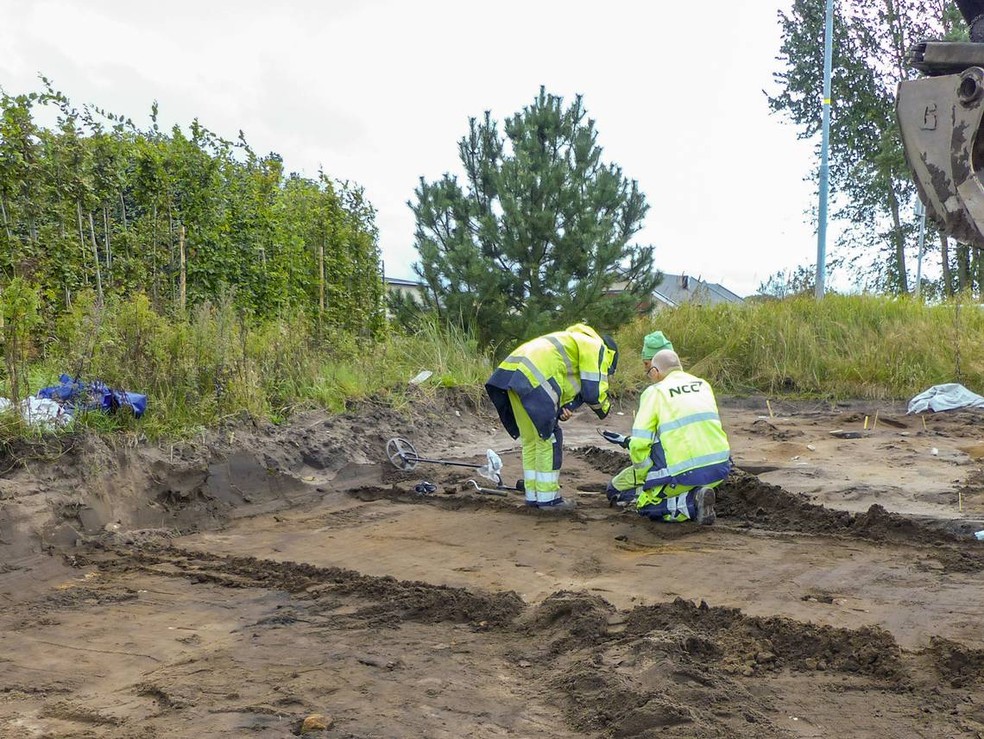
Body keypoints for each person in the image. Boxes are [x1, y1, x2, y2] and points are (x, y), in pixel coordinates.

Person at [486, 323, 618, 510]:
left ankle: (533, 497)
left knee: (531, 439)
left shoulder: (572, 342)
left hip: (512, 374)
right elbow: (593, 392)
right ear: (610, 357)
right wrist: (604, 408)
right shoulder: (596, 347)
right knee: (549, 437)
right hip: (534, 376)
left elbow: (566, 382)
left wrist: (564, 407)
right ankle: (549, 500)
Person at [602, 349, 731, 525]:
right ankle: (696, 493)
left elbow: (640, 442)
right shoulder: (703, 384)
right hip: (720, 468)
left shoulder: (655, 392)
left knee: (644, 506)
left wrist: (643, 475)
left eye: (649, 373)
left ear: (655, 371)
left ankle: (690, 502)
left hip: (684, 472)